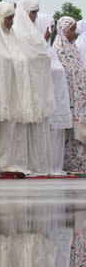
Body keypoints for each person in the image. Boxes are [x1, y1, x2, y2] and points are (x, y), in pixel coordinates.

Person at [0, 2, 54, 174]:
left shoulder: (12, 37)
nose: (10, 22)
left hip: (16, 93)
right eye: (8, 18)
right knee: (3, 132)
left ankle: (16, 163)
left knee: (15, 130)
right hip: (1, 93)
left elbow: (28, 56)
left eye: (12, 18)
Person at [13, 0, 61, 175]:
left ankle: (40, 165)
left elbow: (43, 55)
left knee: (39, 130)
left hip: (39, 91)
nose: (34, 16)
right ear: (24, 12)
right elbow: (25, 59)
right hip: (26, 91)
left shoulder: (34, 34)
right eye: (32, 12)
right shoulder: (17, 32)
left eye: (36, 12)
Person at [34, 12, 73, 173]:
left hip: (59, 103)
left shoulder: (51, 51)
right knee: (46, 136)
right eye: (47, 27)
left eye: (51, 27)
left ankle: (56, 165)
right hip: (46, 103)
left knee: (57, 135)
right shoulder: (38, 52)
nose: (50, 31)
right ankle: (46, 166)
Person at [53, 17, 86, 173]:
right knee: (68, 135)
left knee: (78, 135)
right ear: (63, 30)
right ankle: (68, 164)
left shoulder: (74, 49)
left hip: (79, 103)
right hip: (67, 101)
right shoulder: (58, 50)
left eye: (74, 29)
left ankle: (80, 164)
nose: (74, 33)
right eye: (71, 30)